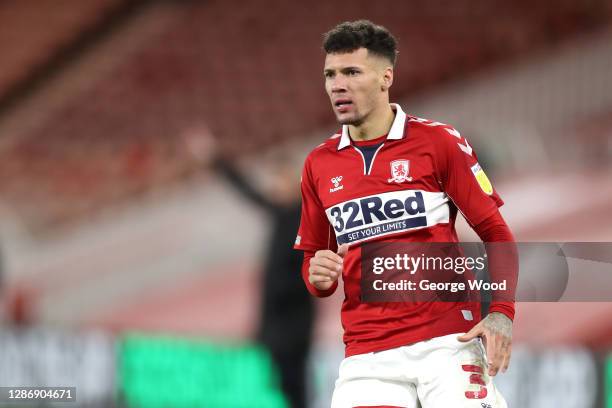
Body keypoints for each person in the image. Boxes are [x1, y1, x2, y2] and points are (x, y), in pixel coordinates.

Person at [294, 20, 517, 408]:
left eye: (351, 72)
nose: (337, 85)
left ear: (386, 77)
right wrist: (317, 276)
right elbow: (316, 268)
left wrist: (501, 312)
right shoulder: (319, 164)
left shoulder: (438, 142)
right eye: (330, 74)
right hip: (368, 356)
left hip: (447, 344)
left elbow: (496, 231)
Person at [183, 128, 314, 408]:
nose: (273, 186)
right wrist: (215, 158)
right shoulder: (281, 213)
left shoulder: (305, 216)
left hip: (293, 326)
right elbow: (247, 190)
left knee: (296, 388)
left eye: (279, 179)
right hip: (275, 326)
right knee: (283, 388)